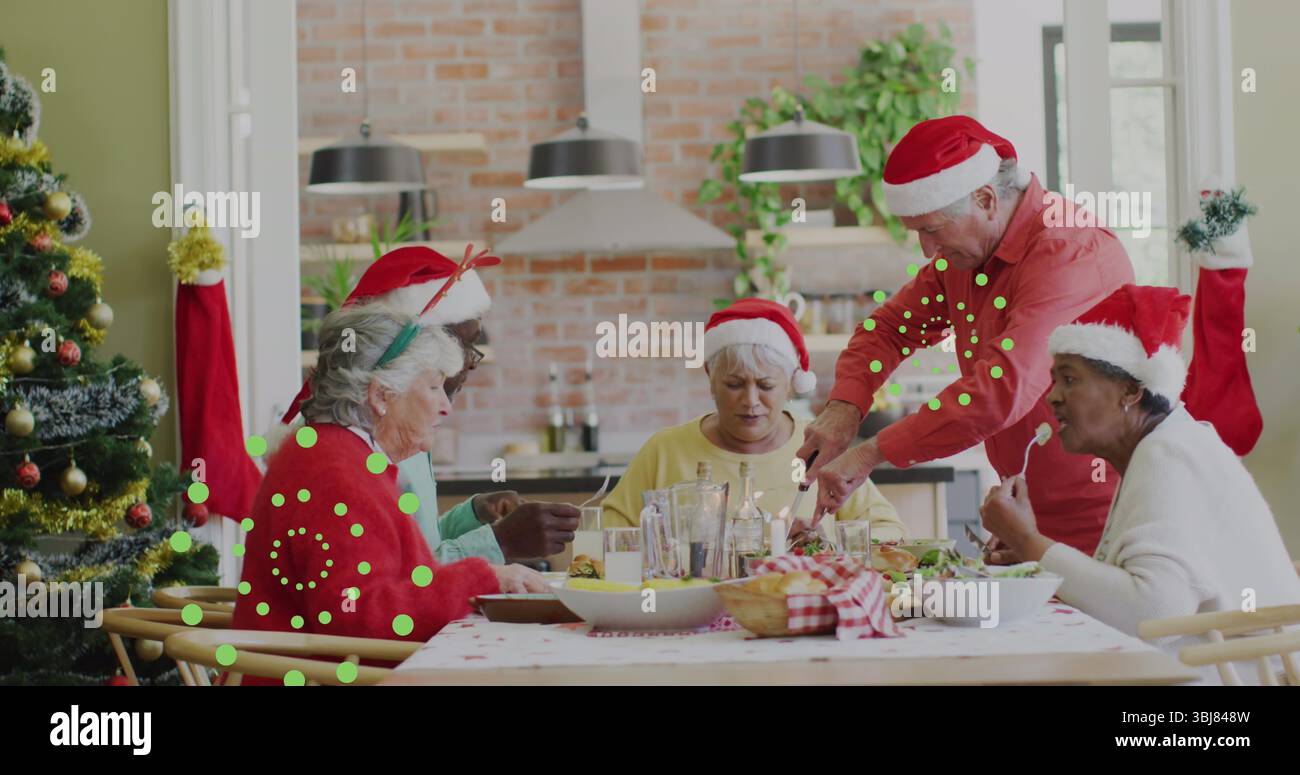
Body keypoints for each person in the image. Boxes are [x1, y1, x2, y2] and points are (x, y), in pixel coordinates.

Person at [799, 115, 1133, 556]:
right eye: (917, 232)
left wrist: (873, 452)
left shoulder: (1066, 250)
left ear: (985, 198)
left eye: (932, 230)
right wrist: (845, 408)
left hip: (1108, 517)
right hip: (1028, 513)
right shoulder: (964, 260)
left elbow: (1001, 388)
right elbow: (889, 330)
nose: (926, 251)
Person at [979, 284, 1300, 682]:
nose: (1053, 397)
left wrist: (1032, 543)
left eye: (1069, 379)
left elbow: (1150, 612)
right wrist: (1031, 551)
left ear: (1131, 390)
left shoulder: (1168, 455)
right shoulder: (1166, 444)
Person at [234, 301, 547, 663]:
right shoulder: (334, 474)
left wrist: (485, 577)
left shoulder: (339, 455)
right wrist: (481, 579)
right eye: (433, 387)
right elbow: (357, 615)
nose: (445, 406)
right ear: (381, 395)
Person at [281, 245, 580, 564]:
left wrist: (475, 514)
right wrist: (500, 543)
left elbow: (414, 546)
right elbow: (390, 585)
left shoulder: (397, 433)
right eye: (455, 348)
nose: (469, 364)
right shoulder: (337, 457)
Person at [603, 298, 904, 542]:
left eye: (765, 386)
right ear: (711, 382)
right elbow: (607, 535)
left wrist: (829, 547)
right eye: (734, 385)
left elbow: (890, 533)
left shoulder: (820, 448)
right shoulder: (664, 450)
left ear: (789, 385)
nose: (750, 401)